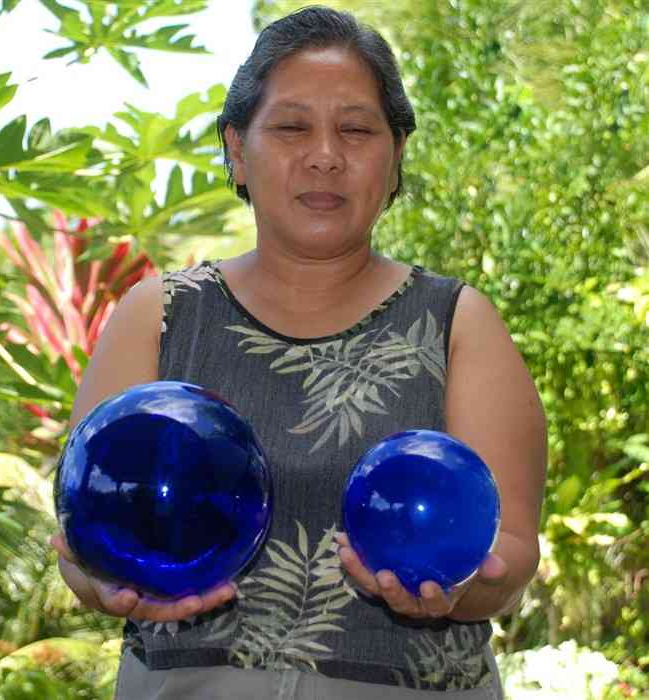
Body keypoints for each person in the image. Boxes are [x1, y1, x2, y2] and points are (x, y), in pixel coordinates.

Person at [53, 6, 547, 699]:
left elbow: (510, 554)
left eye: (355, 129)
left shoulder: (457, 321)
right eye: (290, 126)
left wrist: (457, 591)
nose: (324, 154)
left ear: (395, 155)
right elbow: (87, 524)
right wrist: (97, 582)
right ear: (236, 148)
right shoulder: (159, 316)